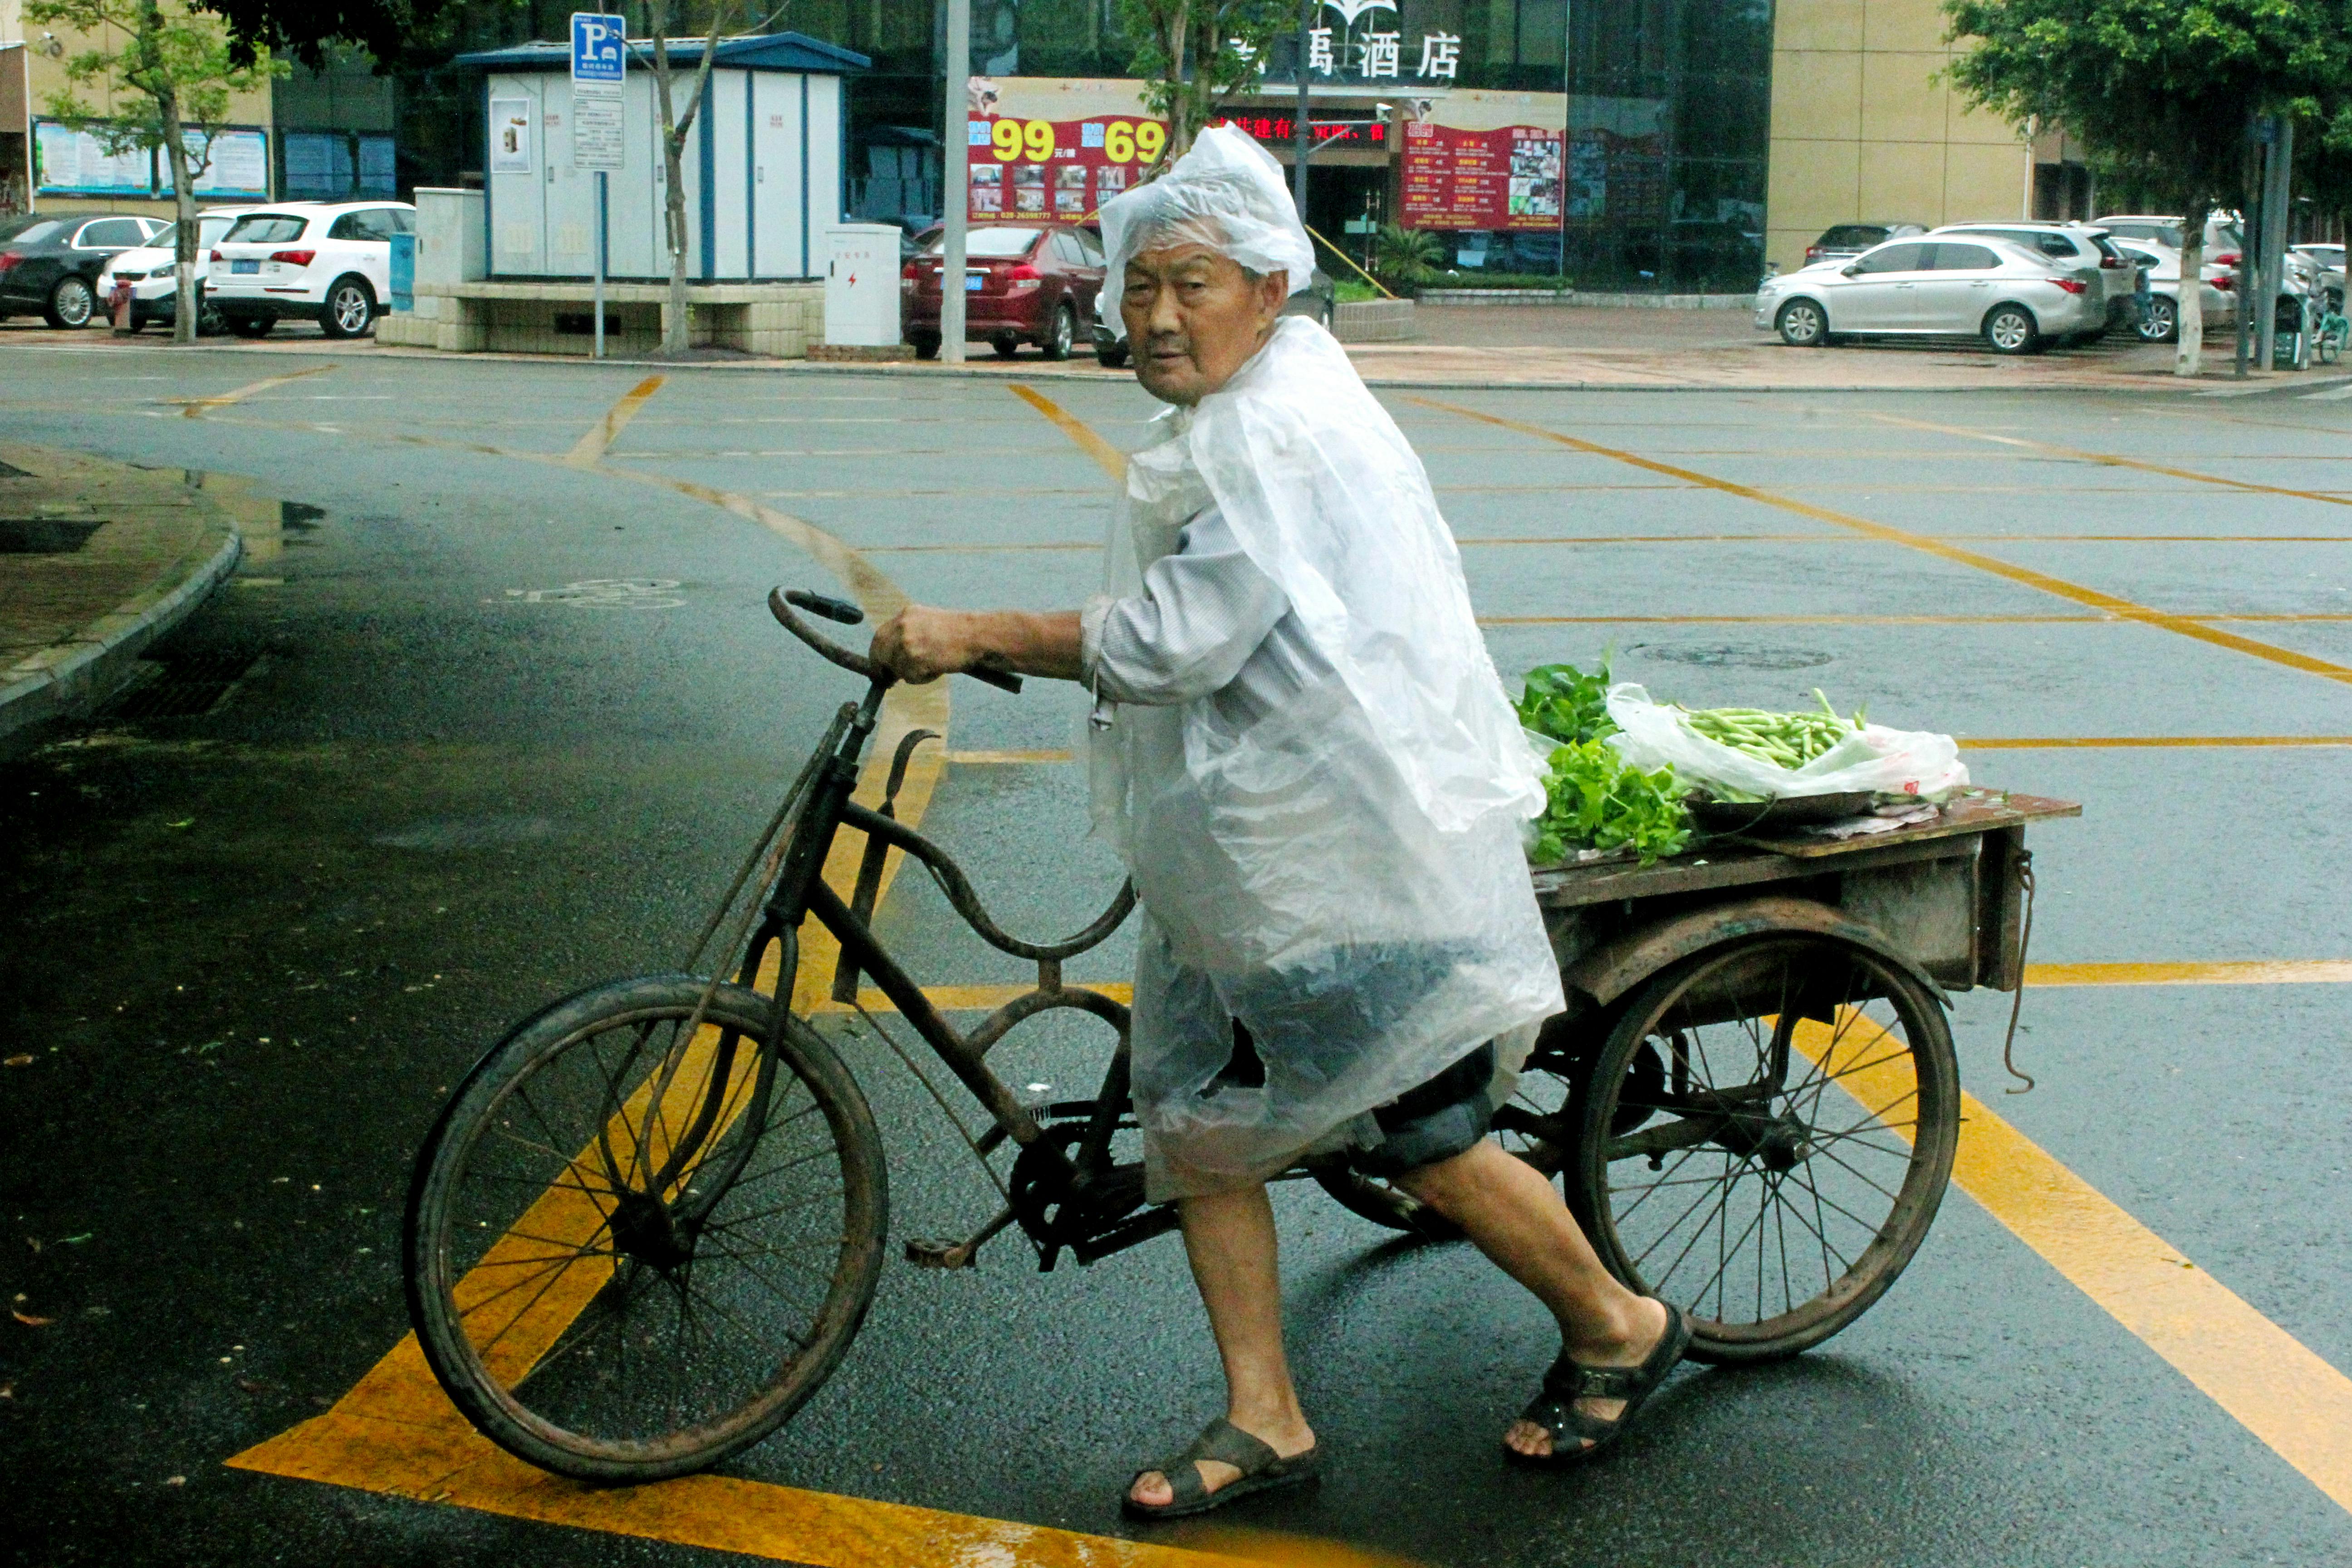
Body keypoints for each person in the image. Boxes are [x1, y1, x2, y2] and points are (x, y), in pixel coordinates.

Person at [869, 127, 1686, 1519]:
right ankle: (1268, 1419)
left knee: (1423, 1137)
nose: (1159, 315)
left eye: (1192, 283)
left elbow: (1179, 637)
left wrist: (969, 631)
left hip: (1361, 855)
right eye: (1139, 287)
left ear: (1267, 283)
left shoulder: (1283, 431)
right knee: (1200, 1120)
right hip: (1259, 849)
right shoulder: (1246, 409)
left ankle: (1618, 1324)